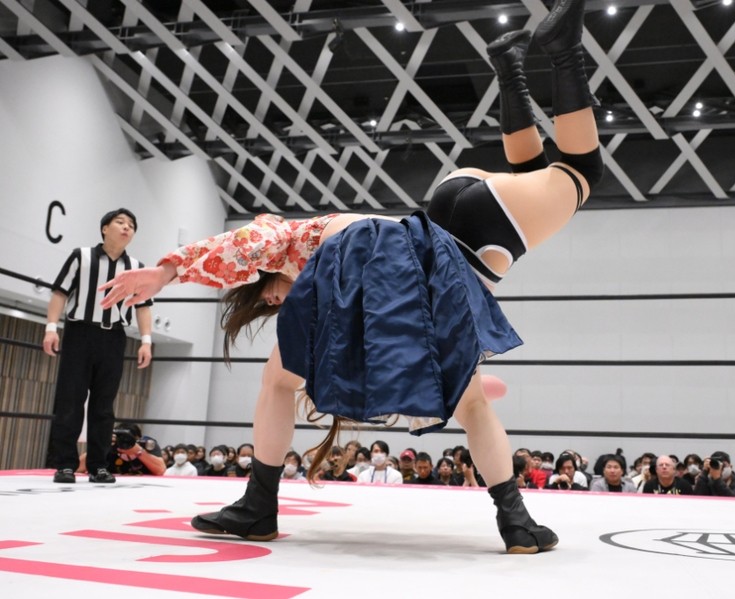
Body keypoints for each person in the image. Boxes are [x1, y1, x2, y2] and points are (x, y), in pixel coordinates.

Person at [99, 0, 601, 554]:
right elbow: (258, 251)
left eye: (274, 298)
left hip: (450, 241)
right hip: (449, 219)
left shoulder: (309, 261)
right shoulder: (331, 282)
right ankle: (510, 68)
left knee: (579, 171)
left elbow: (250, 245)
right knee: (539, 178)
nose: (281, 303)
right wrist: (170, 270)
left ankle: (564, 51)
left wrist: (167, 270)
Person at [43, 208, 153, 484]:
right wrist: (51, 327)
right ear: (105, 228)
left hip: (114, 337)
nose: (126, 227)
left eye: (131, 225)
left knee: (104, 405)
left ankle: (99, 466)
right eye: (120, 222)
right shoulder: (81, 256)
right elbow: (60, 292)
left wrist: (146, 341)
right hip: (79, 333)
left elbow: (143, 307)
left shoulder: (136, 267)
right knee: (70, 400)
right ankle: (65, 464)